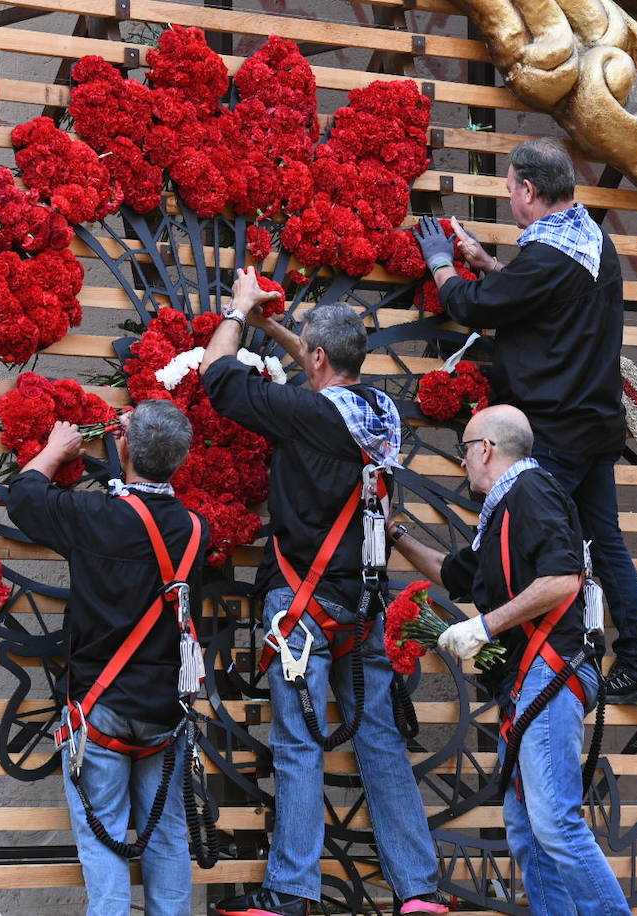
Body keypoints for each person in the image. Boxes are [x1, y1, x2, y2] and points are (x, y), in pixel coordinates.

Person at [201, 268, 447, 916]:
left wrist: (239, 310)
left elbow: (217, 379)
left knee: (298, 746)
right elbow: (320, 367)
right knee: (381, 747)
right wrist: (277, 328)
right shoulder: (382, 413)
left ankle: (290, 895)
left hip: (302, 610)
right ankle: (419, 892)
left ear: (315, 358)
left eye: (303, 345)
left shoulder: (307, 415)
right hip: (364, 605)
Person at [411, 137, 637, 707]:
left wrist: (440, 262)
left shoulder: (548, 255)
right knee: (605, 546)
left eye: (510, 188)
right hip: (597, 425)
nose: (510, 199)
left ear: (528, 190)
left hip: (551, 431)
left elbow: (474, 307)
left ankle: (528, 666)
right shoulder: (589, 240)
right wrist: (495, 267)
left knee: (520, 545)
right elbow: (548, 300)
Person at [392, 404, 630, 916]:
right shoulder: (506, 508)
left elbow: (563, 579)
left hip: (549, 672)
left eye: (464, 451)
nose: (462, 464)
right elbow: (454, 572)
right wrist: (394, 534)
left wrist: (483, 625)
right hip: (533, 681)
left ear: (484, 449)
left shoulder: (531, 493)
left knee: (554, 824)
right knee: (528, 830)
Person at [5, 399, 206, 916]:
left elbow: (25, 498)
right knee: (166, 842)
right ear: (180, 461)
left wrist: (54, 451)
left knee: (104, 844)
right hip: (165, 713)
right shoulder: (195, 530)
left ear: (123, 446)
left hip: (100, 708)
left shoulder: (95, 515)